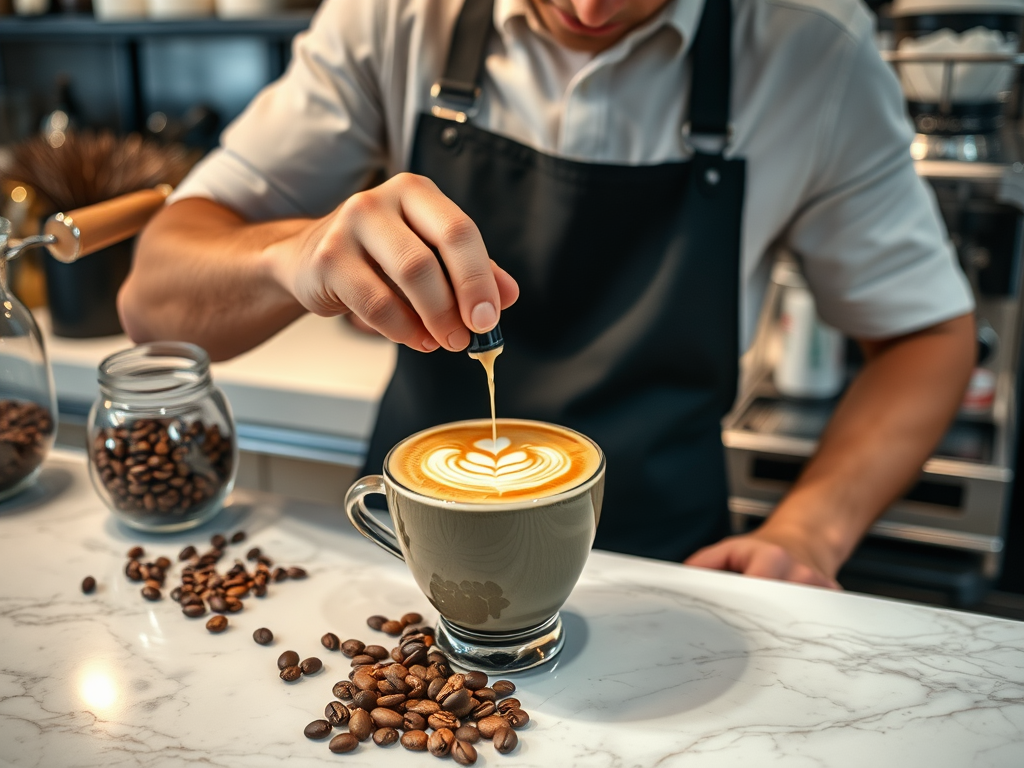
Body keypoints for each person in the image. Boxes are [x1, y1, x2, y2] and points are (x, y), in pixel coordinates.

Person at [120, 0, 976, 588]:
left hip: (669, 571)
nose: (593, 10)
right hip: (410, 569)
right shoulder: (395, 16)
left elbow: (926, 336)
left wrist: (809, 531)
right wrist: (289, 252)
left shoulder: (813, 49)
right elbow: (151, 302)